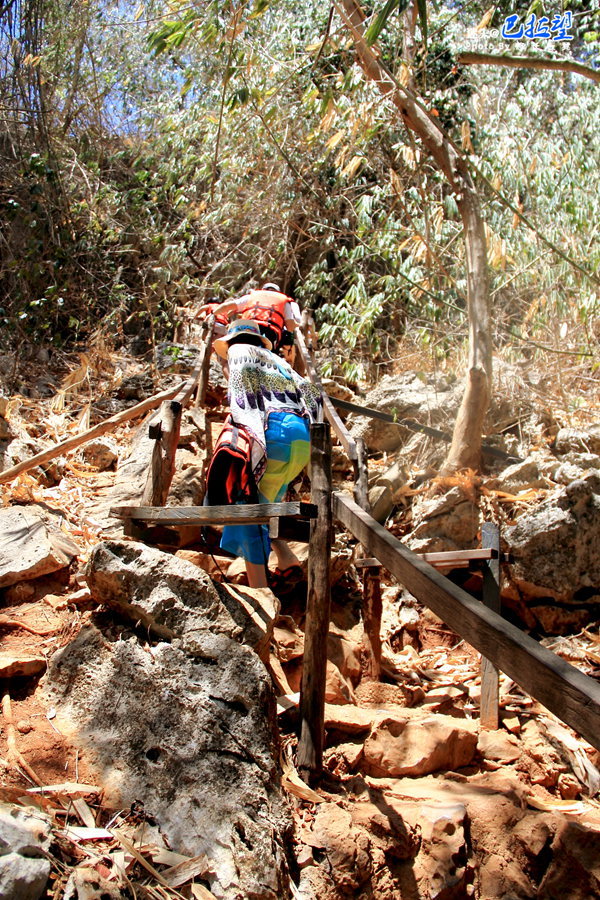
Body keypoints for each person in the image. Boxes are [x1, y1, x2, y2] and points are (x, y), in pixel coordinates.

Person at [212, 319, 322, 589]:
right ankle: (286, 560)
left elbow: (240, 393)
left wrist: (249, 426)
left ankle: (260, 591)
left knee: (246, 510)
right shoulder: (279, 362)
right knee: (264, 504)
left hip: (273, 437)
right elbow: (313, 394)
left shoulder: (238, 352)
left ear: (232, 342)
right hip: (300, 440)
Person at [198, 283, 302, 352]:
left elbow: (227, 306)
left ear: (262, 290)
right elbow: (290, 327)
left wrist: (213, 314)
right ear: (278, 292)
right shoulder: (284, 301)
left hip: (246, 328)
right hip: (269, 331)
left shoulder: (252, 296)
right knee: (271, 353)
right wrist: (297, 325)